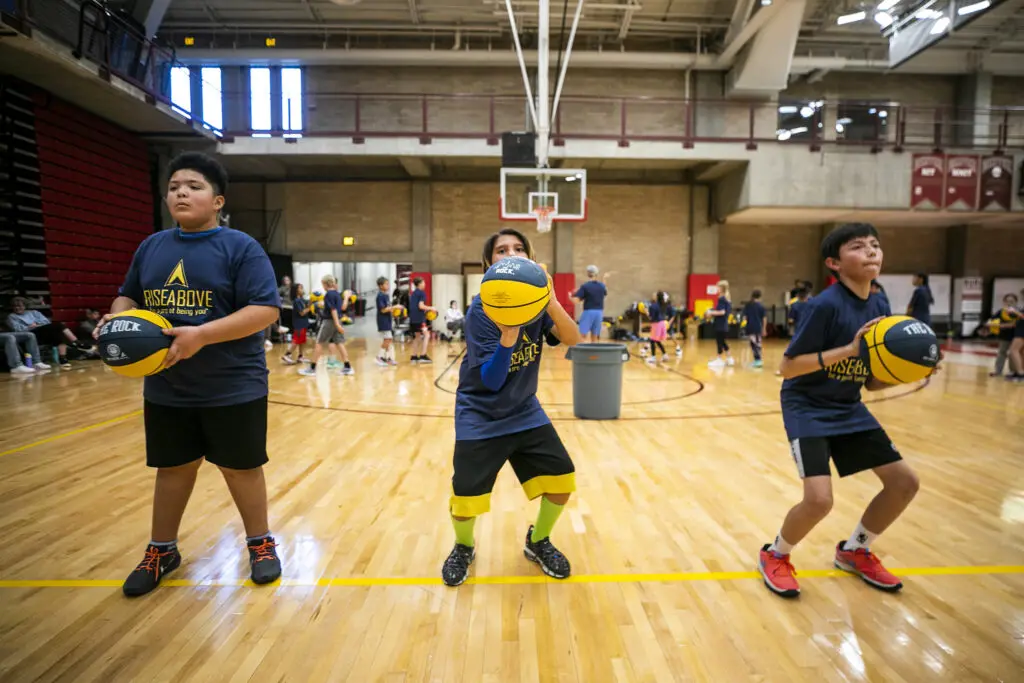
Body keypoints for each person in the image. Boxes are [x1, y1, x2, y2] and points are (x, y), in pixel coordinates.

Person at [94, 151, 282, 597]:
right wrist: (114, 320)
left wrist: (201, 335)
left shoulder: (241, 247)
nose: (181, 191)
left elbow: (265, 310)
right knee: (173, 468)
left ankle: (260, 543)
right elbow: (127, 297)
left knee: (241, 469)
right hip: (167, 384)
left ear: (217, 201)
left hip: (233, 383)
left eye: (194, 186)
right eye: (175, 185)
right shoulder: (152, 247)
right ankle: (162, 549)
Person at [758, 223, 927, 598]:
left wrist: (910, 372)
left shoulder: (880, 304)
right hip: (807, 406)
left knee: (904, 483)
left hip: (849, 406)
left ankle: (855, 550)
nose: (871, 252)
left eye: (875, 246)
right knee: (819, 500)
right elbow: (787, 368)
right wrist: (850, 350)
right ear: (834, 262)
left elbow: (871, 381)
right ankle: (776, 554)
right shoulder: (822, 306)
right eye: (858, 247)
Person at [442, 228, 582, 587]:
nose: (511, 253)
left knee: (562, 479)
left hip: (523, 410)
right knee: (466, 499)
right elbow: (491, 380)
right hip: (480, 413)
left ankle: (538, 541)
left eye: (519, 248)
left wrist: (550, 300)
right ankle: (463, 547)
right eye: (502, 250)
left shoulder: (535, 306)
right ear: (490, 265)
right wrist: (508, 337)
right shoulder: (480, 311)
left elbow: (573, 339)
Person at [6, 297, 89, 370]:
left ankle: (63, 358)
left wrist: (36, 324)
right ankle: (76, 343)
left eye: (19, 306)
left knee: (58, 332)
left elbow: (46, 322)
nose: (17, 308)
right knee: (58, 325)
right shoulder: (12, 317)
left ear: (24, 306)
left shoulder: (34, 312)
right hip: (29, 335)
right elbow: (17, 330)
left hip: (41, 331)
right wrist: (30, 326)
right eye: (15, 306)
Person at [301, 274, 353, 376]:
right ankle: (348, 367)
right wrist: (346, 297)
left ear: (325, 284)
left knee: (319, 343)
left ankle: (312, 368)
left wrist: (337, 324)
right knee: (339, 343)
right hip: (337, 320)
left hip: (329, 321)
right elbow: (343, 308)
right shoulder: (337, 294)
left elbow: (333, 310)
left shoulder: (329, 294)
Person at [570, 265, 610, 343]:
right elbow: (604, 290)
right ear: (596, 274)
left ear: (588, 274)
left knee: (582, 335)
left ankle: (581, 352)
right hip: (599, 313)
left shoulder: (585, 286)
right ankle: (594, 353)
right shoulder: (601, 286)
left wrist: (570, 297)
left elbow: (576, 301)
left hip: (588, 312)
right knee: (595, 336)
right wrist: (604, 279)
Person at [706, 280, 734, 368]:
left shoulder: (722, 299)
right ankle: (729, 359)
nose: (717, 288)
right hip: (723, 324)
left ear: (722, 288)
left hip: (720, 324)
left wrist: (711, 312)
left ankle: (719, 359)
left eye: (718, 287)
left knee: (719, 342)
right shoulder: (727, 299)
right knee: (722, 342)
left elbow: (722, 312)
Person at [408, 277, 436, 364]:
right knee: (427, 335)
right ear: (419, 284)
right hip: (419, 319)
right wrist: (431, 308)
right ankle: (423, 356)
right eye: (423, 282)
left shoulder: (413, 293)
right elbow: (421, 306)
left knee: (417, 337)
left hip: (412, 318)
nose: (425, 284)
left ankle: (414, 356)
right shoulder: (421, 293)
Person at [990, 293, 1019, 378]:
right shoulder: (1001, 311)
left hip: (1016, 336)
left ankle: (1013, 371)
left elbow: (1015, 324)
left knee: (1013, 353)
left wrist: (1002, 325)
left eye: (1012, 301)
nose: (1009, 303)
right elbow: (993, 320)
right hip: (1004, 335)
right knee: (1001, 352)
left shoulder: (1017, 312)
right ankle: (998, 371)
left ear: (1016, 302)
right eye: (1007, 301)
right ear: (1004, 302)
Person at [281, 283, 310, 365]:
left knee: (302, 341)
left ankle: (300, 357)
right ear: (296, 290)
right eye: (300, 288)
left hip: (303, 324)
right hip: (299, 324)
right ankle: (287, 355)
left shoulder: (301, 299)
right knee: (296, 340)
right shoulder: (297, 301)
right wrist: (310, 308)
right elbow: (302, 313)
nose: (302, 289)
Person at [375, 276, 397, 367]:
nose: (388, 285)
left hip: (388, 320)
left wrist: (394, 310)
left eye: (388, 284)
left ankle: (388, 358)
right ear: (380, 286)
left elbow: (388, 308)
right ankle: (379, 357)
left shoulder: (386, 295)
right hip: (383, 320)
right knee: (388, 339)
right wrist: (395, 307)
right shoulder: (380, 296)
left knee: (389, 339)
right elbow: (383, 310)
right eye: (386, 284)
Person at [743, 289, 768, 369]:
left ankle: (758, 360)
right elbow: (764, 319)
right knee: (757, 344)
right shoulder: (761, 306)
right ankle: (758, 360)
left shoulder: (748, 305)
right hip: (757, 327)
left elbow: (744, 317)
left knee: (753, 344)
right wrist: (764, 329)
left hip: (750, 327)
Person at [646, 291, 669, 364]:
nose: (653, 296)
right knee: (657, 340)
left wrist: (646, 312)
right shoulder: (663, 305)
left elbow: (651, 317)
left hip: (656, 324)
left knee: (652, 340)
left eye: (654, 295)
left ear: (656, 297)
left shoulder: (653, 306)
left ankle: (653, 357)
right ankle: (665, 355)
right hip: (662, 323)